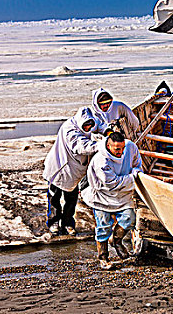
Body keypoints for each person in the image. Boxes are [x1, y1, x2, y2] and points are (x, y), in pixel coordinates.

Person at [82, 132, 142, 270]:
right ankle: (103, 257)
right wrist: (132, 177)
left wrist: (136, 173)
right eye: (117, 149)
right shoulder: (101, 161)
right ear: (108, 146)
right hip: (102, 195)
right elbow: (112, 183)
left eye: (122, 148)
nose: (121, 152)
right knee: (103, 226)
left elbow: (137, 164)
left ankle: (116, 241)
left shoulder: (130, 147)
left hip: (123, 194)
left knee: (130, 219)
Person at [43, 107, 106, 236]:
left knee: (71, 199)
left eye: (90, 125)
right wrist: (102, 145)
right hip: (60, 167)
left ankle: (68, 224)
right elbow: (81, 147)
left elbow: (100, 125)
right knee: (54, 197)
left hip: (74, 171)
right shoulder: (70, 129)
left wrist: (108, 131)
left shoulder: (87, 123)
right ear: (80, 122)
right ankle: (54, 222)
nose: (89, 128)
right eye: (86, 126)